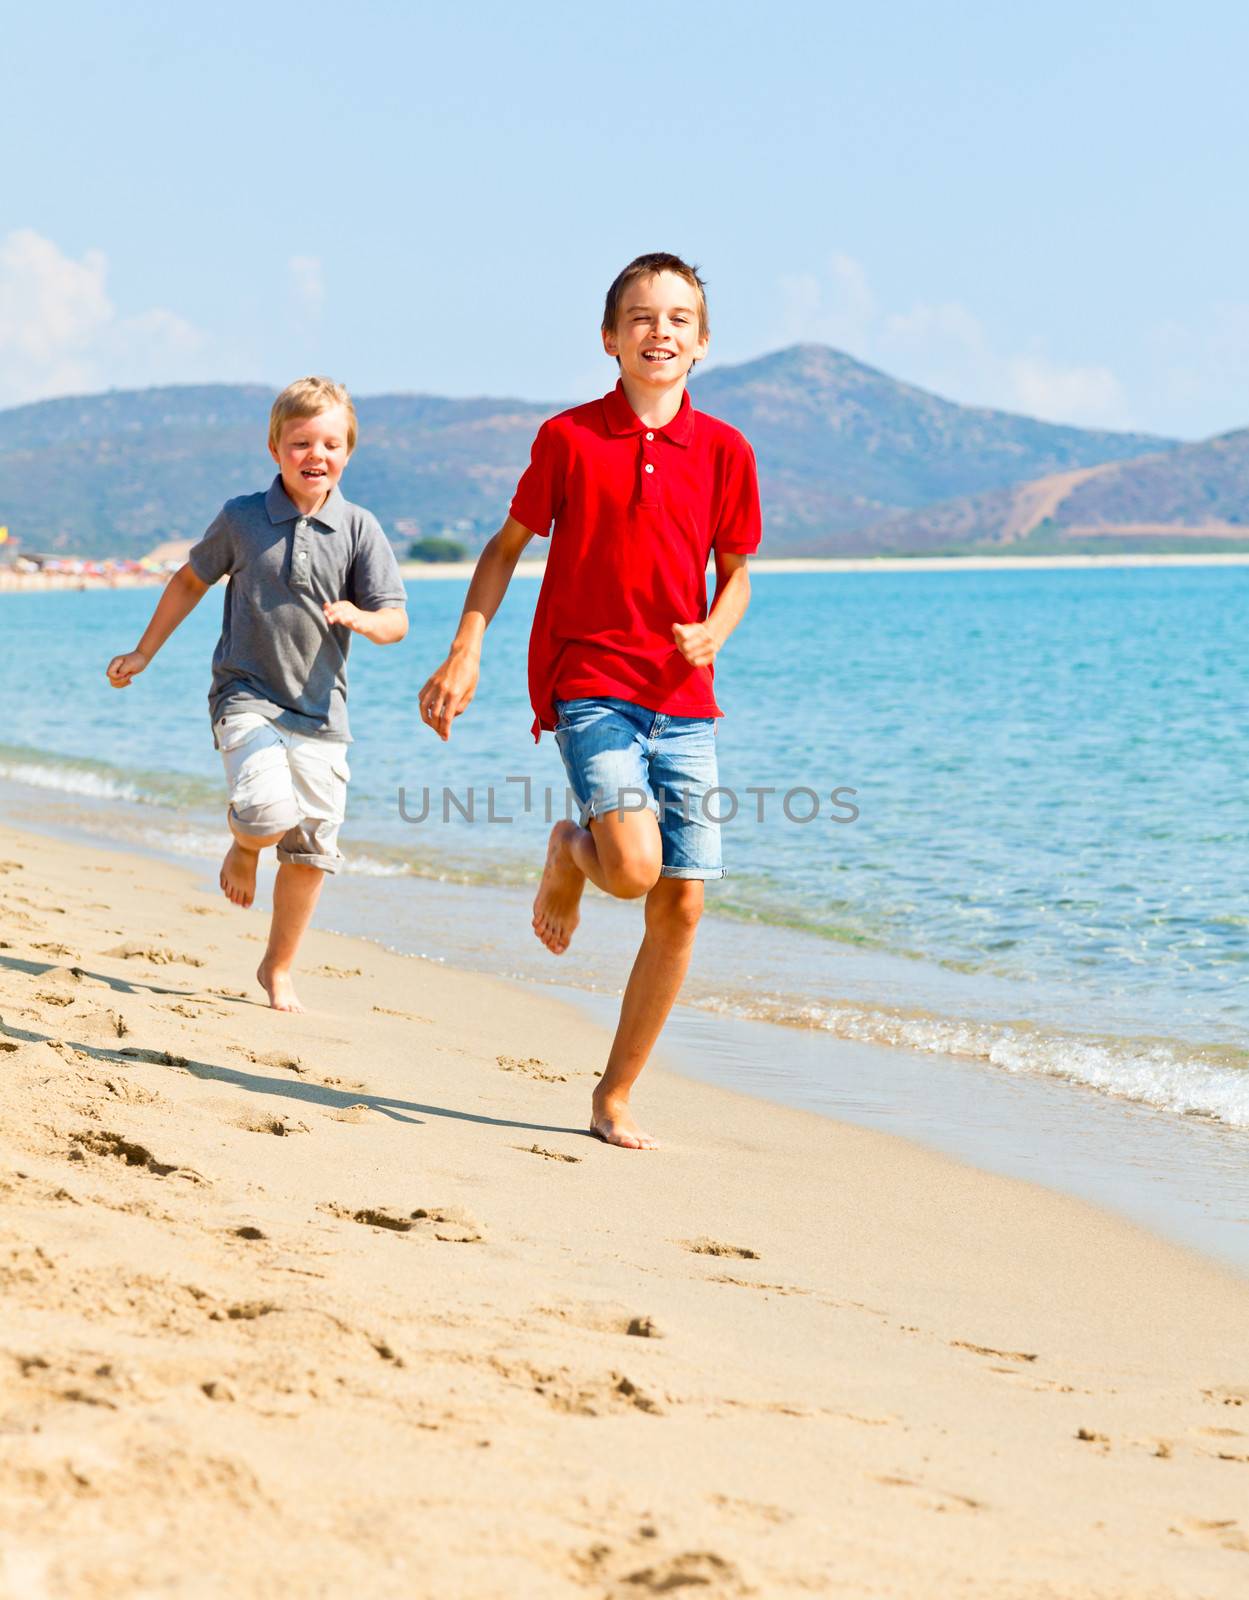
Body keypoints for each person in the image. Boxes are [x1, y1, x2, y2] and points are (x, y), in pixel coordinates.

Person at [419, 253, 760, 1148]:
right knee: (638, 870)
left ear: (703, 342)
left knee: (682, 903)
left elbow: (736, 578)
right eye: (642, 317)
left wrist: (713, 633)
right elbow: (503, 550)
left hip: (685, 696)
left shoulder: (725, 451)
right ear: (609, 339)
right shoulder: (568, 439)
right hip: (591, 684)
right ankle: (571, 850)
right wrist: (466, 649)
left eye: (679, 318)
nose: (661, 331)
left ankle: (614, 1095)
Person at [105, 377, 408, 1012]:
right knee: (268, 815)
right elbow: (189, 582)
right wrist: (143, 652)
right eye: (300, 442)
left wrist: (360, 617)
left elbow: (395, 621)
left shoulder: (359, 527)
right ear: (275, 447)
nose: (315, 455)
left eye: (330, 443)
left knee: (313, 849)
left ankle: (278, 966)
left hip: (324, 714)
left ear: (348, 451)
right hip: (244, 695)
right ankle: (245, 844)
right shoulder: (243, 518)